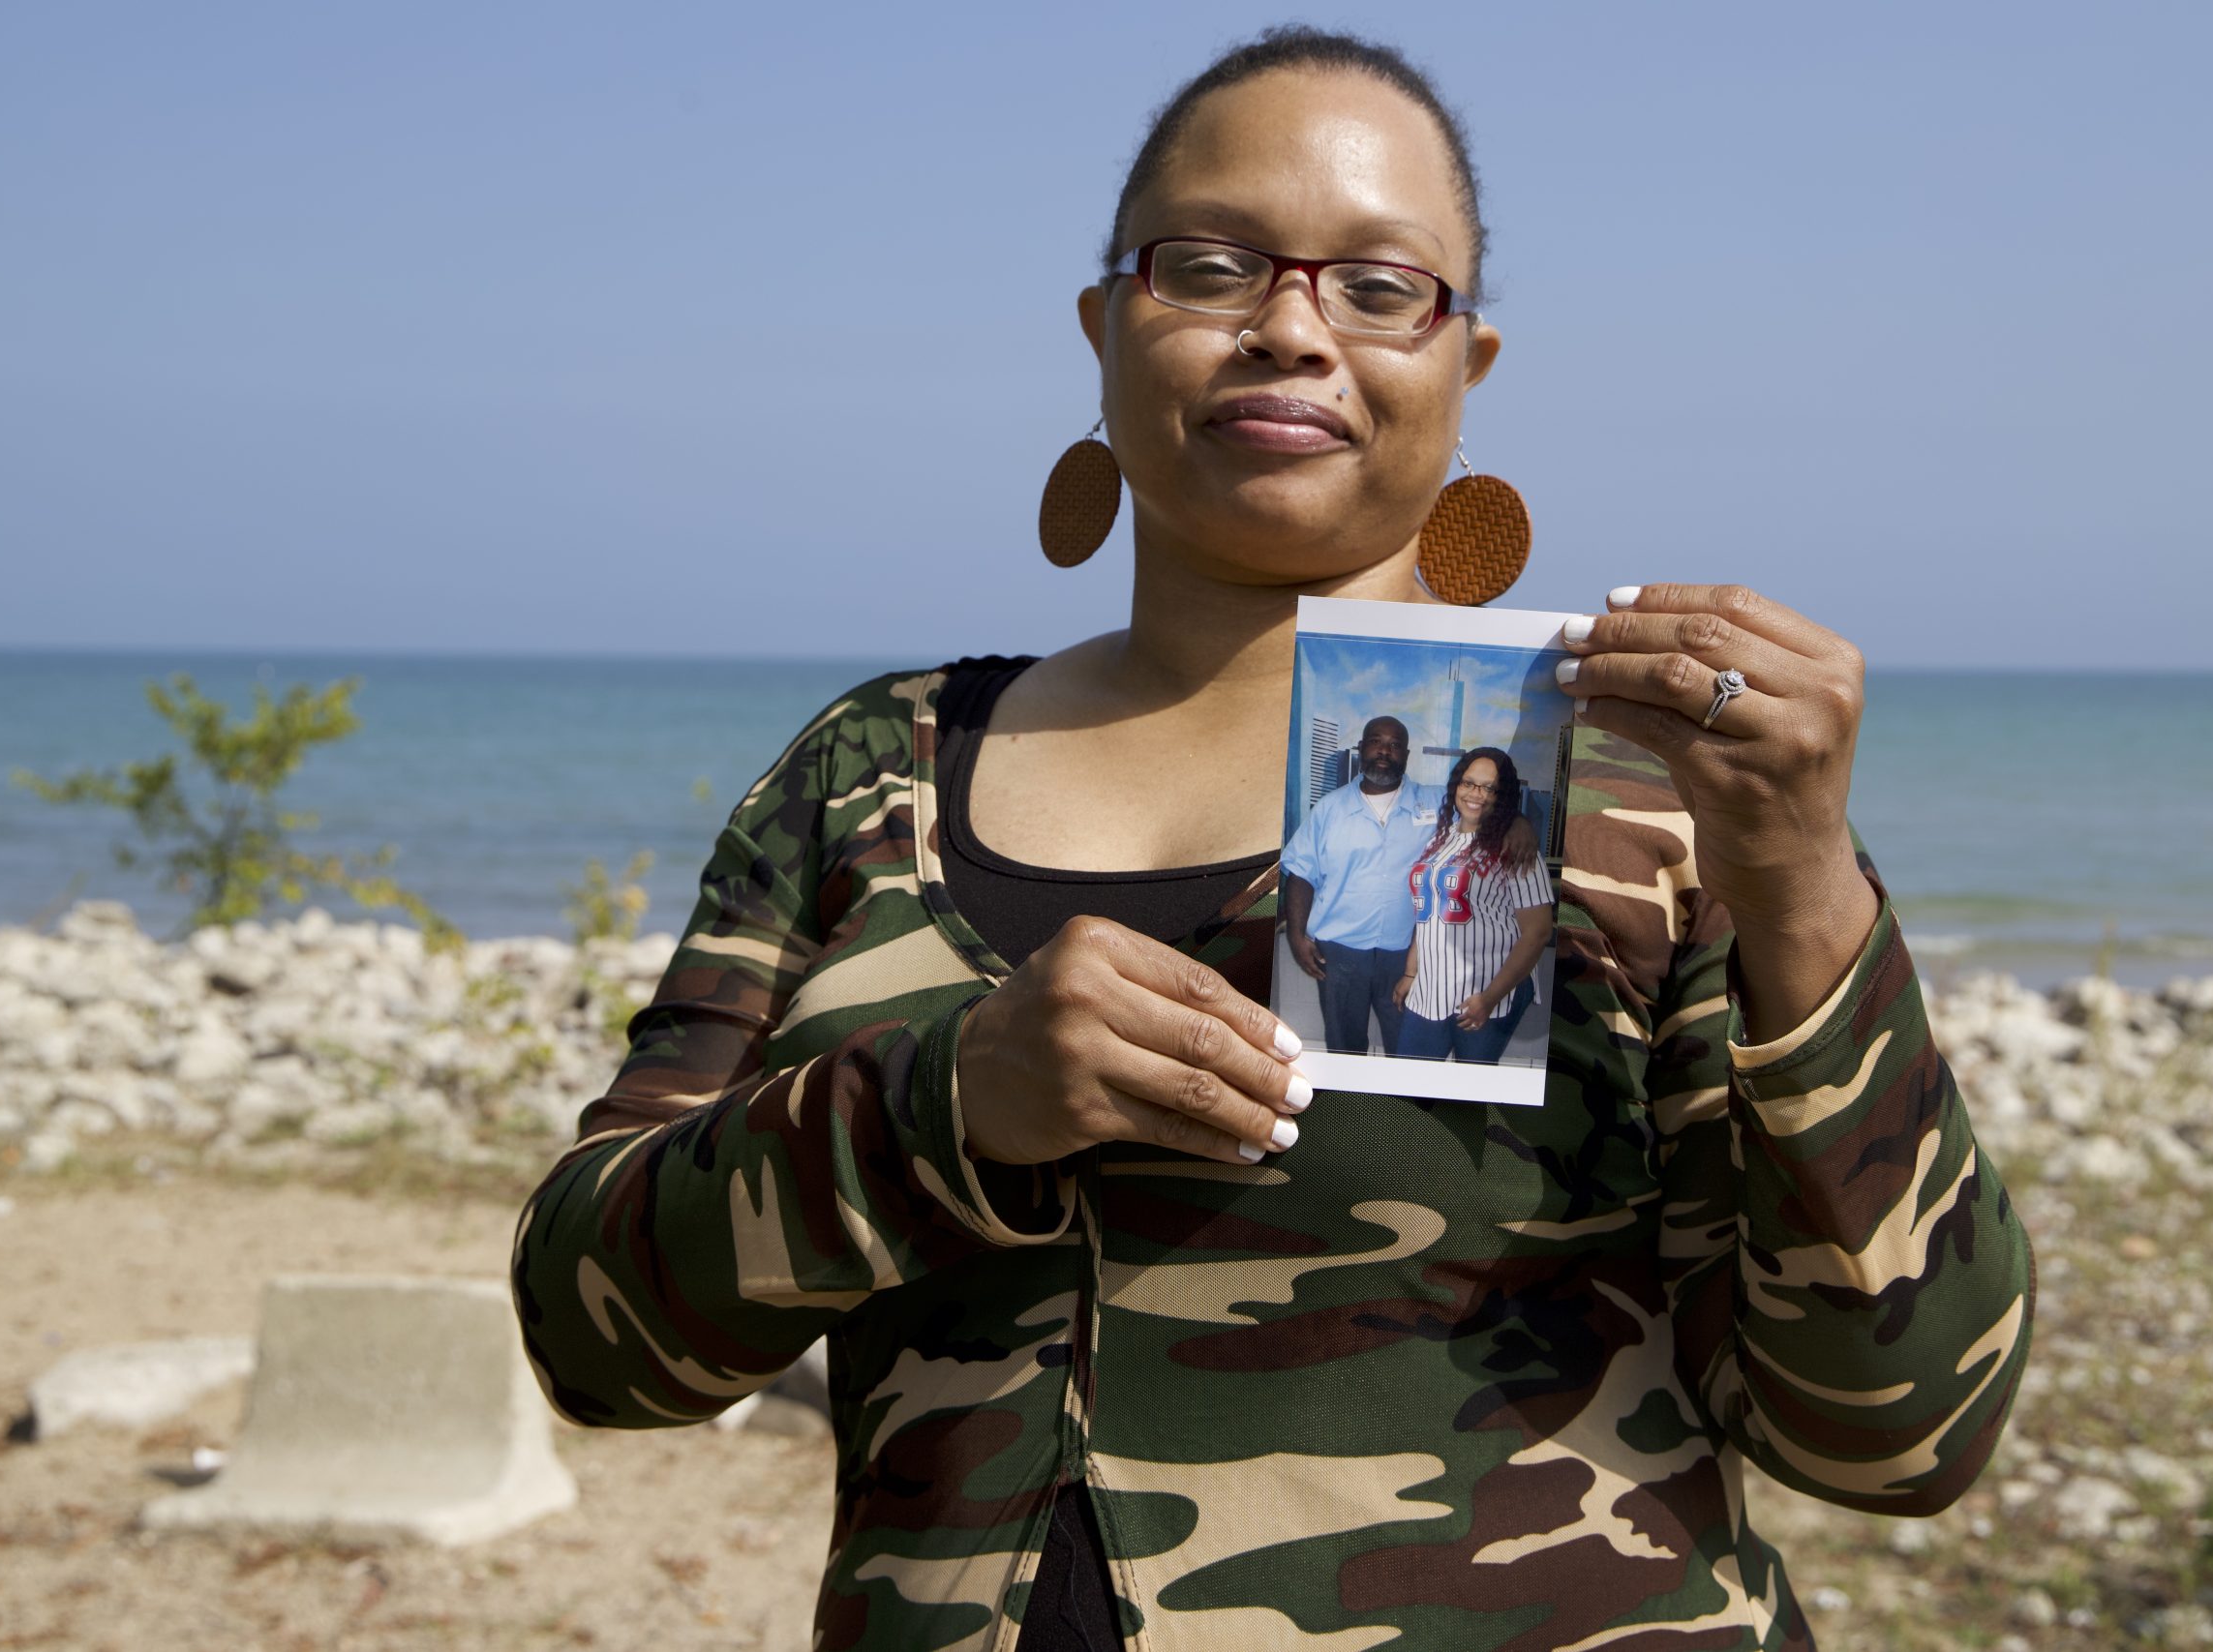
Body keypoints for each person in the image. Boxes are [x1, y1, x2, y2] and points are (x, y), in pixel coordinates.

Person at [510, 26, 2034, 1651]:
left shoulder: (1635, 789)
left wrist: (1803, 886)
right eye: (1212, 267)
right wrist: (948, 1103)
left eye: (1383, 287)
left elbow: (1897, 1433)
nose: (1292, 330)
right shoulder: (875, 770)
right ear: (1105, 331)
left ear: (1469, 369)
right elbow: (591, 1336)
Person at [1279, 714, 1437, 1055]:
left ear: (1406, 755)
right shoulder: (1329, 809)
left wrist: (1518, 828)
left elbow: (1487, 811)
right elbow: (1301, 873)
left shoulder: (1435, 804)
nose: (1384, 751)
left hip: (1408, 952)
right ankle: (1346, 1102)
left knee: (1408, 1041)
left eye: (1395, 745)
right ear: (1361, 748)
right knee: (1344, 1042)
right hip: (1340, 951)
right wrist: (1296, 934)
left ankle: (1410, 1105)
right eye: (1376, 741)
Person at [1391, 746, 1554, 1064]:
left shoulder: (1516, 848)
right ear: (1456, 786)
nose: (1475, 793)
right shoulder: (1440, 840)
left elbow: (1538, 933)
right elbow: (1428, 911)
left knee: (1467, 1096)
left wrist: (1490, 998)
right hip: (1430, 988)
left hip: (1486, 991)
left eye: (1489, 787)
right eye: (1468, 783)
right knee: (1408, 1085)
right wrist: (1411, 973)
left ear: (1502, 795)